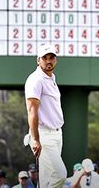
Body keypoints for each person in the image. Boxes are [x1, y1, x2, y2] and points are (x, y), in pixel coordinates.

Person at [25, 44, 67, 188]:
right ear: (38, 60)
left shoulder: (51, 78)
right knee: (61, 175)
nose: (48, 61)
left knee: (46, 179)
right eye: (45, 58)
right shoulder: (36, 79)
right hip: (43, 135)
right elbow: (32, 111)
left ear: (55, 60)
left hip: (56, 134)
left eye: (52, 57)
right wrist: (35, 139)